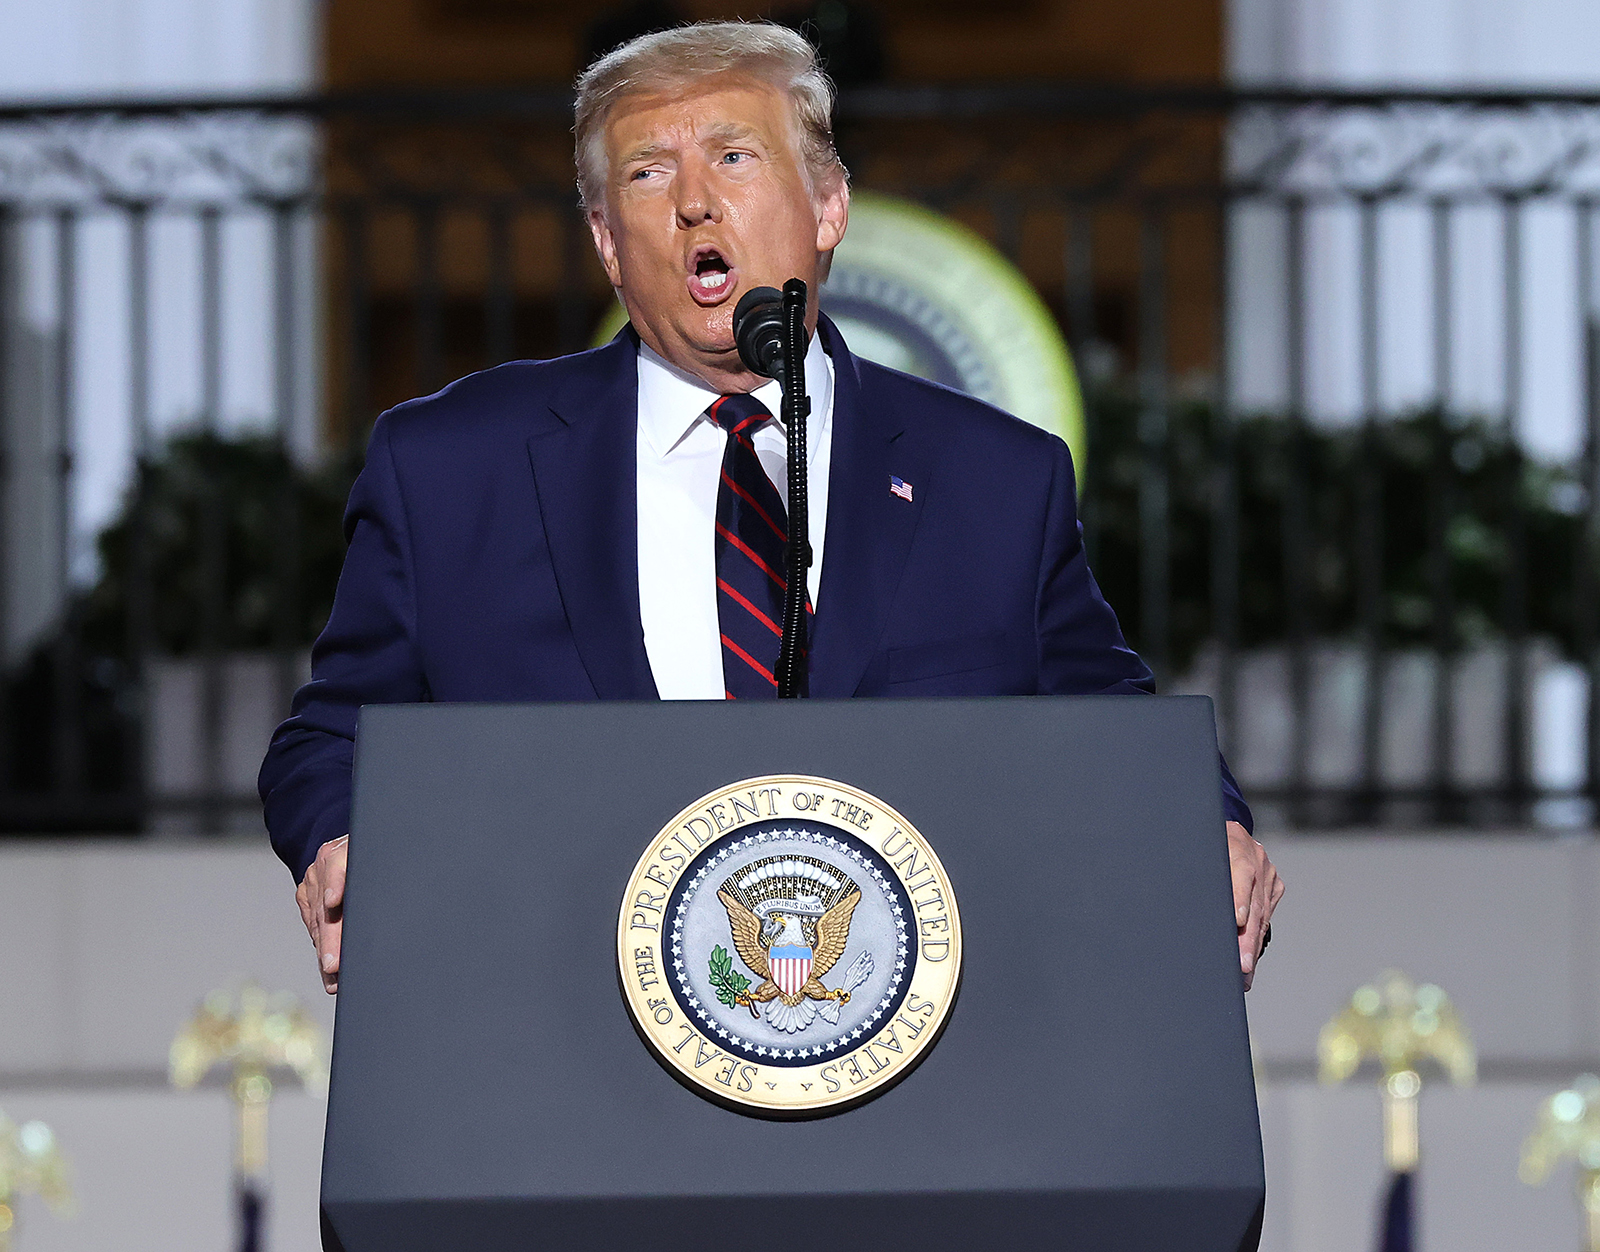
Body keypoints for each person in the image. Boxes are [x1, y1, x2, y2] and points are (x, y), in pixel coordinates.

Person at [259, 20, 1283, 998]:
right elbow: (332, 740)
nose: (694, 202)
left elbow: (1111, 730)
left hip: (909, 1074)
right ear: (608, 241)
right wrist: (339, 836)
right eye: (648, 172)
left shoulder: (992, 482)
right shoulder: (450, 469)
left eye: (734, 157)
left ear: (829, 206)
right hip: (563, 1046)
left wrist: (1207, 825)